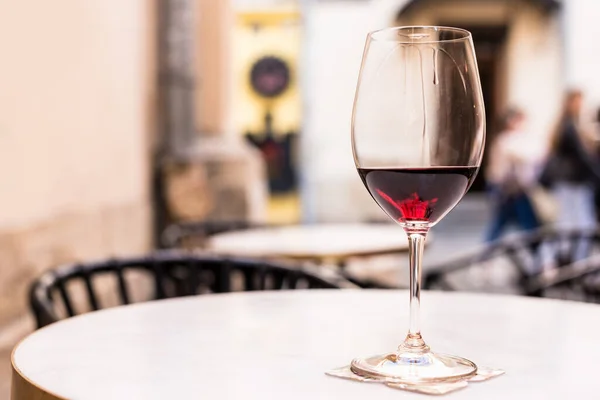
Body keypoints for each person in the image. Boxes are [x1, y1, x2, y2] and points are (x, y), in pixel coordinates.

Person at [541, 90, 600, 260]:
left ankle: (558, 262)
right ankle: (565, 264)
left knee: (568, 224)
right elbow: (582, 156)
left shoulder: (565, 125)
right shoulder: (569, 127)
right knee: (576, 226)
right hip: (572, 183)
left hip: (569, 182)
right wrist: (596, 175)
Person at [485, 108, 544, 242]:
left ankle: (485, 255)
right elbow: (522, 157)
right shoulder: (505, 140)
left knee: (507, 223)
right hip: (507, 189)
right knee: (523, 223)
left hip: (516, 189)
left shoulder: (520, 139)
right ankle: (538, 255)